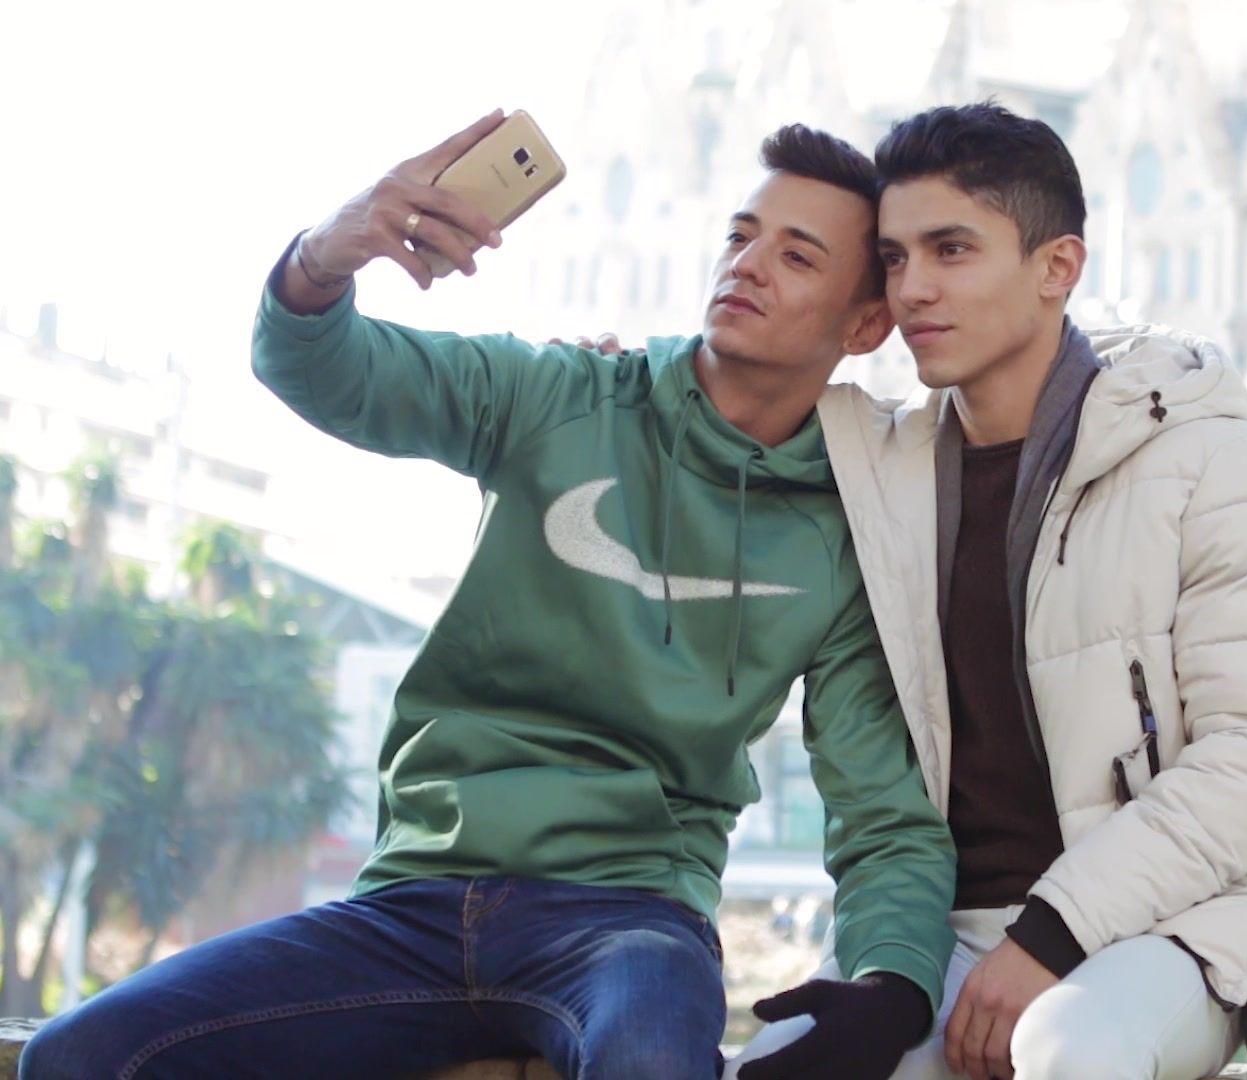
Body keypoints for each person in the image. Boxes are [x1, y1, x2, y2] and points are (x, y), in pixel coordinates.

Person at [21, 111, 956, 1080]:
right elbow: (319, 367)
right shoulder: (560, 394)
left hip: (628, 918)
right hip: (413, 904)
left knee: (648, 1059)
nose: (747, 265)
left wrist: (892, 986)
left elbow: (883, 811)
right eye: (740, 236)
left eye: (796, 256)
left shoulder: (843, 529)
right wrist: (327, 254)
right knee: (81, 1054)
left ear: (864, 326)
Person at [729, 102, 1247, 1080]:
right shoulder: (872, 469)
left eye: (951, 250)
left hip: (1181, 920)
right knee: (773, 1065)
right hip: (947, 933)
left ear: (1058, 267)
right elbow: (710, 418)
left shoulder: (1217, 465)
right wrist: (607, 382)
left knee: (1068, 1048)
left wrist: (1051, 937)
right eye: (893, 259)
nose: (914, 288)